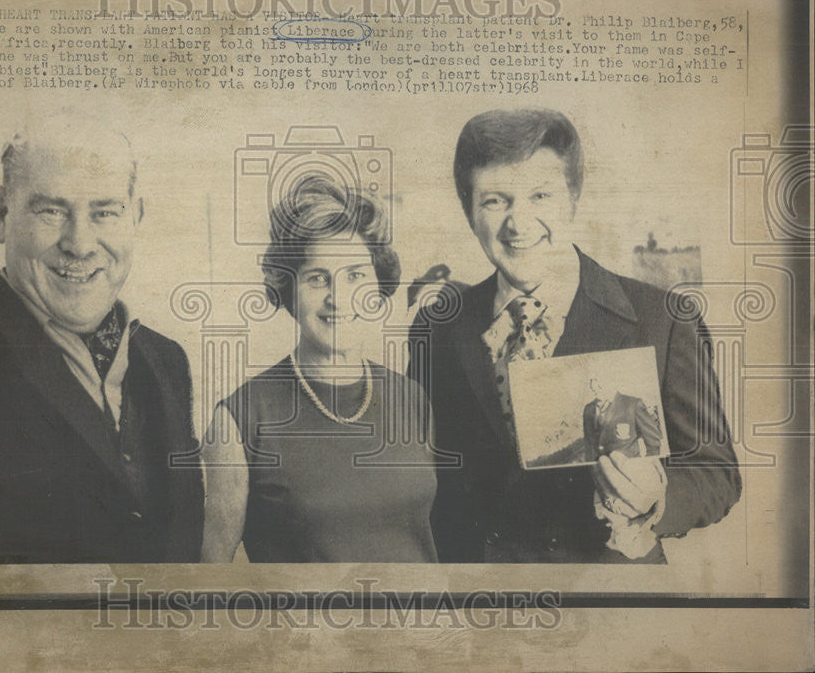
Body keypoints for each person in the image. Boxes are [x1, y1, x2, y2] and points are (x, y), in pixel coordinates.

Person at [410, 108, 741, 563]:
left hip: (610, 600)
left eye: (540, 196)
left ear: (572, 197)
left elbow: (716, 472)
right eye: (495, 201)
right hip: (483, 606)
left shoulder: (663, 317)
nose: (518, 223)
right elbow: (426, 478)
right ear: (469, 212)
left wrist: (656, 498)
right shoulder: (439, 326)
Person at [0, 117, 204, 563]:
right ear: (1, 213)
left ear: (137, 217)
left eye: (105, 212)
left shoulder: (167, 361)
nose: (80, 243)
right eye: (51, 210)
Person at [201, 174, 438, 562]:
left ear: (378, 288)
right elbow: (210, 577)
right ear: (288, 291)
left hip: (422, 623)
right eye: (316, 278)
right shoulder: (241, 417)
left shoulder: (411, 398)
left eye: (355, 276)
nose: (338, 298)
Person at [583, 377, 663, 462]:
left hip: (628, 467)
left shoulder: (633, 404)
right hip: (600, 467)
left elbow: (653, 442)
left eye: (599, 386)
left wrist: (646, 465)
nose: (595, 389)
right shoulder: (589, 409)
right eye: (593, 388)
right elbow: (588, 445)